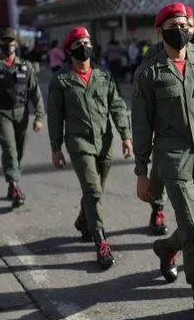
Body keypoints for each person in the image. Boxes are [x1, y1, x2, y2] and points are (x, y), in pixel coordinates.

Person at [132, 3, 194, 320]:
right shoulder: (149, 73)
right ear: (160, 31)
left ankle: (166, 248)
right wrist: (141, 173)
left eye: (185, 23)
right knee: (190, 224)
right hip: (172, 160)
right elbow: (142, 126)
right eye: (174, 24)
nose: (181, 28)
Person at [48, 26, 133, 270]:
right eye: (78, 44)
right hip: (79, 143)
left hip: (104, 142)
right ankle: (101, 241)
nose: (84, 47)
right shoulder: (61, 81)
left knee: (96, 190)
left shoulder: (104, 75)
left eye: (87, 42)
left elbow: (116, 106)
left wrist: (126, 136)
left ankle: (82, 221)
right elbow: (55, 116)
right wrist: (56, 148)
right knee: (93, 190)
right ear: (70, 49)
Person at [0, 27, 45, 208]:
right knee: (10, 148)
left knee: (19, 151)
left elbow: (36, 93)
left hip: (22, 114)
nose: (8, 44)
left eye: (11, 41)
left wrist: (39, 117)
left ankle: (12, 181)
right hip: (1, 113)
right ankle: (15, 186)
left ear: (17, 43)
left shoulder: (26, 67)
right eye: (4, 41)